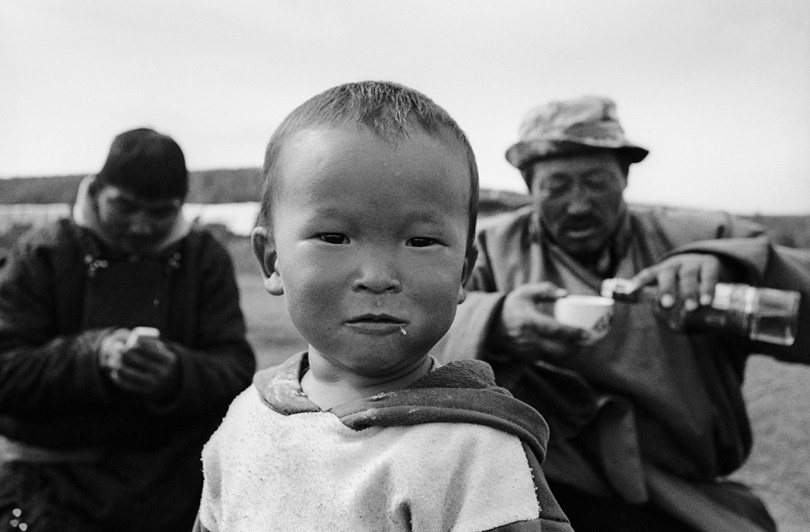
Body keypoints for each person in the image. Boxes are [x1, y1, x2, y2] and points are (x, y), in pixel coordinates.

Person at [194, 81, 573, 532]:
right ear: (272, 260)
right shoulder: (245, 423)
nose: (377, 276)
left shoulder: (475, 457)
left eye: (421, 241)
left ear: (463, 272)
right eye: (334, 237)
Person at [433, 95, 810, 532]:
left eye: (597, 182)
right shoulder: (489, 251)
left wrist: (730, 264)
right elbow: (417, 334)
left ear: (625, 177)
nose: (578, 205)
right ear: (529, 185)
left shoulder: (701, 237)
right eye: (556, 187)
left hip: (685, 500)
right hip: (539, 486)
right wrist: (496, 321)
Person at [0, 128, 256, 532]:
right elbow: (6, 371)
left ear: (181, 205)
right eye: (126, 207)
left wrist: (175, 373)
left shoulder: (204, 259)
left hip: (172, 490)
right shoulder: (41, 254)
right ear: (97, 190)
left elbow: (235, 370)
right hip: (48, 490)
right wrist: (94, 356)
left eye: (160, 212)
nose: (141, 226)